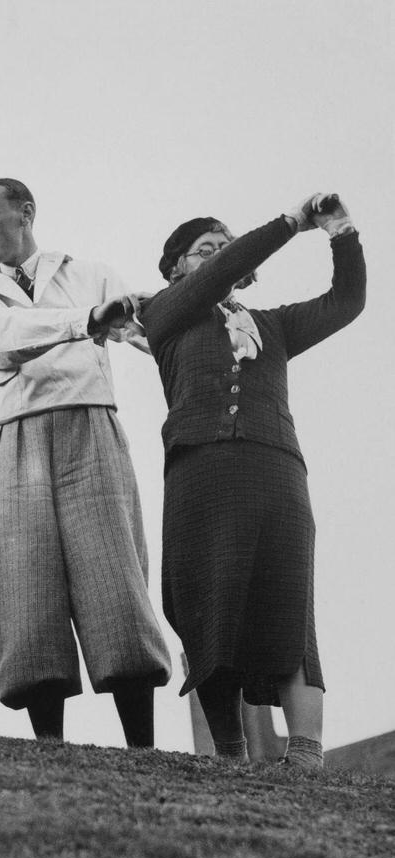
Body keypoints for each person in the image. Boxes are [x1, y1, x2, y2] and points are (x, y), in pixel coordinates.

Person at [138, 194, 365, 768]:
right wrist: (289, 222)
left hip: (276, 469)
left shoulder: (274, 326)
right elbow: (215, 279)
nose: (222, 257)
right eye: (207, 251)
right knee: (208, 605)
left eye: (229, 248)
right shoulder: (166, 313)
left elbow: (346, 301)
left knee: (289, 602)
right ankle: (231, 754)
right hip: (202, 473)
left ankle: (307, 757)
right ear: (175, 268)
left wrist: (340, 232)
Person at [0, 177, 171, 747]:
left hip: (91, 424)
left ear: (25, 213)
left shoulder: (90, 272)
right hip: (17, 438)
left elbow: (151, 333)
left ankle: (141, 748)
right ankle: (50, 748)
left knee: (114, 577)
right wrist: (85, 322)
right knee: (27, 586)